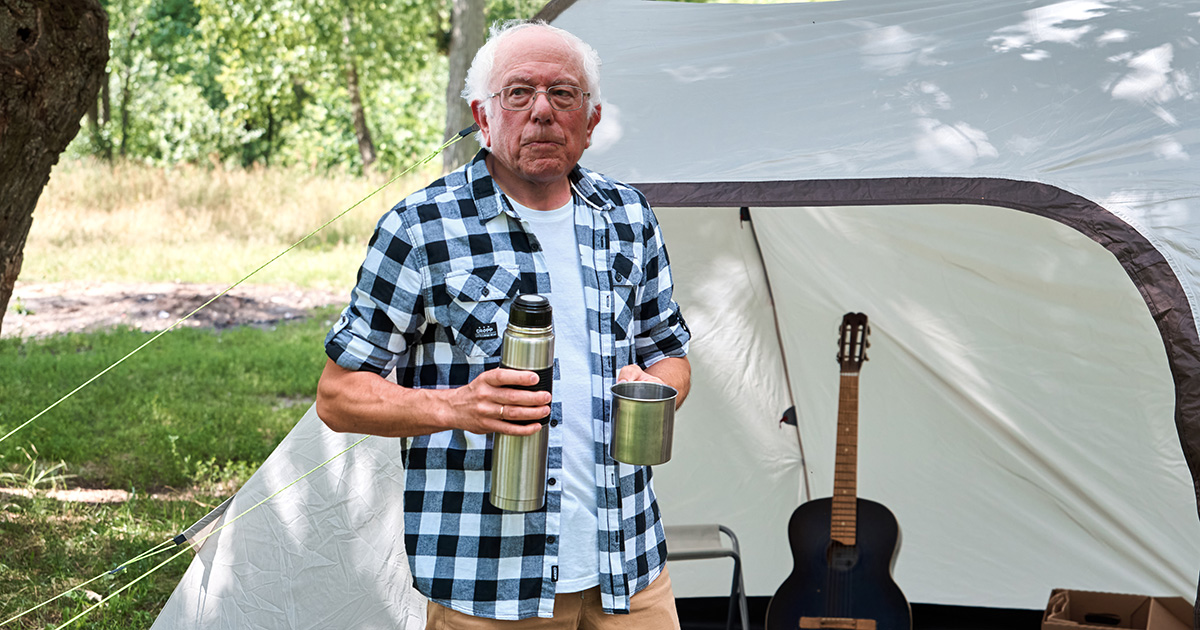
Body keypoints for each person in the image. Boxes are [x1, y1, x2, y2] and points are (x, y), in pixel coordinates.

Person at [315, 20, 691, 629]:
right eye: (518, 93)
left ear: (591, 121)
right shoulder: (421, 228)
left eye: (563, 94)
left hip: (631, 573)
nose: (542, 112)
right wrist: (455, 407)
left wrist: (658, 392)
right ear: (482, 117)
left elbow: (671, 353)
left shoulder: (629, 217)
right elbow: (337, 396)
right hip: (489, 580)